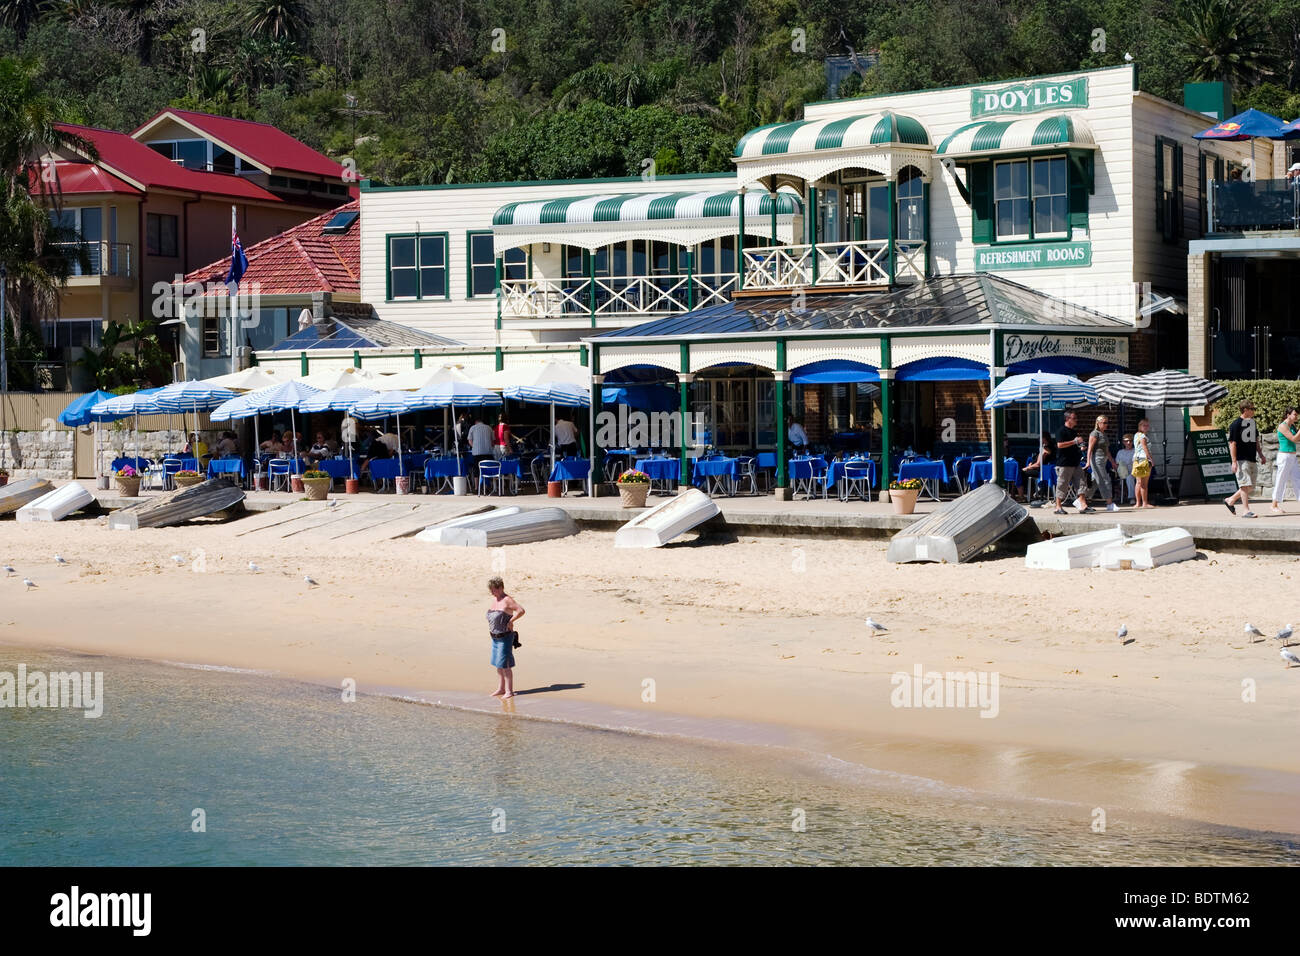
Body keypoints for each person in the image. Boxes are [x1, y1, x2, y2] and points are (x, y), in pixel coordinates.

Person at [1225, 399, 1266, 518]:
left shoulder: (1252, 423)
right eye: (1252, 409)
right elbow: (1232, 443)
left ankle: (1230, 500)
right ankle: (1246, 511)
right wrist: (1234, 461)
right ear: (1245, 410)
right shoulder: (1235, 424)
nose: (1254, 411)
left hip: (1252, 458)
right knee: (1244, 485)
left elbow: (1256, 441)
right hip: (1241, 459)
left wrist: (1261, 454)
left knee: (1251, 486)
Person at [486, 576, 525, 700]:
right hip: (495, 637)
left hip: (505, 637)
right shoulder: (495, 600)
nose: (492, 592)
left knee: (506, 664)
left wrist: (511, 621)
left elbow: (521, 610)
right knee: (498, 664)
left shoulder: (507, 600)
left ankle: (509, 691)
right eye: (491, 590)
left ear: (500, 588)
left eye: (494, 589)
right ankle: (501, 688)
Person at [1053, 410, 1092, 515]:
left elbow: (1076, 445)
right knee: (1062, 484)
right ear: (1067, 419)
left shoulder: (1074, 432)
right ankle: (1058, 506)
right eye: (1074, 418)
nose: (1076, 420)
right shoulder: (1061, 431)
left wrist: (1081, 446)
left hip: (1075, 462)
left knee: (1081, 483)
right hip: (1064, 463)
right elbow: (1060, 445)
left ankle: (1083, 505)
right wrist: (1074, 441)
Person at [1086, 414, 1119, 512]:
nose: (1106, 424)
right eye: (1104, 423)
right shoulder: (1094, 433)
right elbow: (1090, 449)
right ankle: (1109, 503)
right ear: (1098, 423)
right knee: (1105, 480)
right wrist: (1088, 462)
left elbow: (1107, 450)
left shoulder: (1103, 434)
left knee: (1096, 481)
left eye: (1107, 422)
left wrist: (1112, 461)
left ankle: (1082, 498)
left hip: (1103, 459)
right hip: (1097, 459)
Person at [1273, 406, 1300, 515]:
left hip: (1292, 457)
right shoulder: (1282, 426)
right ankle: (1274, 505)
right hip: (1284, 456)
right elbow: (1293, 439)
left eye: (1297, 414)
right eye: (1294, 414)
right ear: (1288, 415)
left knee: (1297, 479)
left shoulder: (1292, 426)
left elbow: (1297, 439)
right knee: (1281, 480)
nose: (1296, 416)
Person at [1020, 429, 1055, 505]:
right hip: (1043, 469)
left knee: (1021, 473)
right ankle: (1030, 493)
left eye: (1040, 438)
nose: (1039, 439)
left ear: (1044, 439)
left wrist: (1027, 468)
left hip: (1041, 471)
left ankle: (1022, 495)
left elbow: (1038, 464)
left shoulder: (1046, 449)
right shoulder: (1047, 448)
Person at [1132, 418, 1154, 509]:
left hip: (1136, 460)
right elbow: (1145, 448)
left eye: (1147, 425)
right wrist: (1151, 459)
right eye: (1144, 425)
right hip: (1144, 460)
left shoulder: (1136, 435)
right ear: (1140, 426)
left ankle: (1137, 503)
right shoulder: (1143, 436)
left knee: (1138, 482)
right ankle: (1144, 503)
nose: (1146, 427)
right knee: (1144, 483)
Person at [467, 415, 495, 480]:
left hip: (477, 453)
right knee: (488, 469)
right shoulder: (489, 428)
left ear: (475, 422)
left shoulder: (472, 428)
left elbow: (469, 440)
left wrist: (475, 447)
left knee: (477, 470)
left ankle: (477, 487)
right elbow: (492, 441)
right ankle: (488, 486)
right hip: (488, 453)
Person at [1116, 434, 1136, 505]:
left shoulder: (1135, 451)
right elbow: (1117, 464)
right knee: (1127, 476)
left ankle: (1132, 497)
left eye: (1130, 441)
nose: (1128, 443)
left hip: (1134, 471)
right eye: (1126, 441)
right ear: (1123, 442)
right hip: (1123, 472)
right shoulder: (1120, 452)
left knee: (1130, 477)